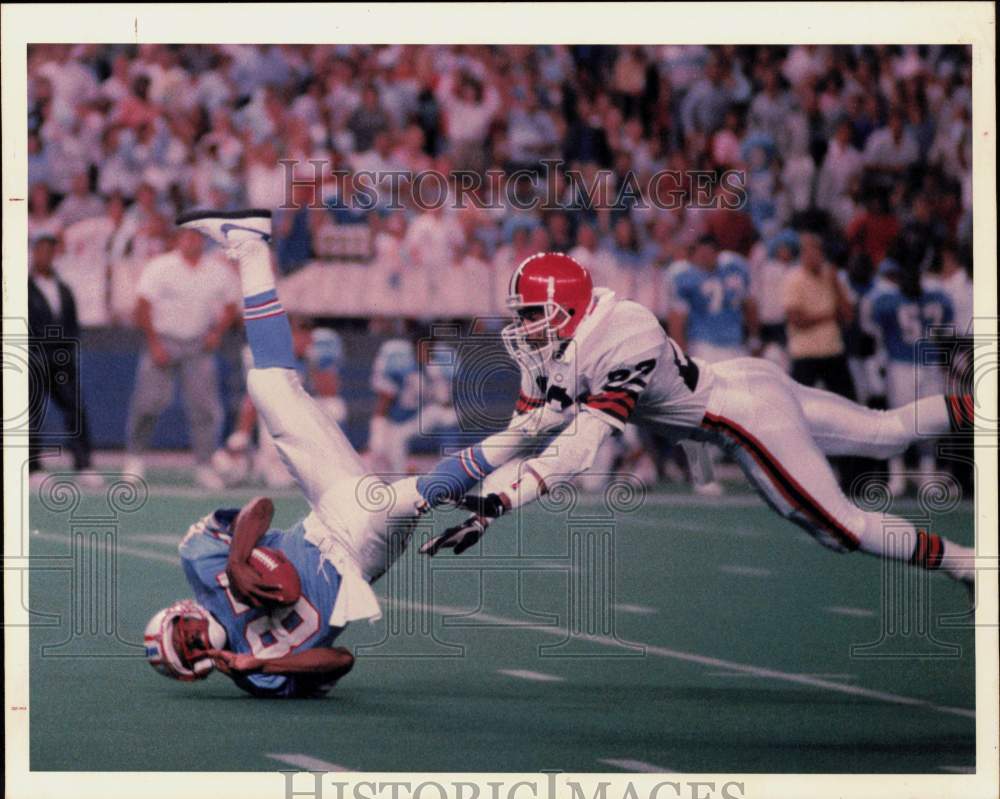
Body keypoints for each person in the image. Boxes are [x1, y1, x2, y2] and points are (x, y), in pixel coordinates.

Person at [415, 252, 976, 598]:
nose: (522, 327)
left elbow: (577, 448)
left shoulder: (623, 333)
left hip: (745, 418)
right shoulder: (558, 346)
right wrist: (477, 500)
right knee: (882, 430)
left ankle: (968, 565)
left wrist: (496, 504)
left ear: (570, 307)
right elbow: (525, 433)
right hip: (741, 380)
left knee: (841, 528)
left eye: (532, 314)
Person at [145, 209, 440, 697]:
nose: (196, 641)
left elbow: (258, 508)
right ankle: (538, 440)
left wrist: (239, 560)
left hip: (326, 513)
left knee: (269, 384)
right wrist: (261, 660)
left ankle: (250, 249)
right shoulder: (256, 674)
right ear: (201, 669)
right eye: (191, 653)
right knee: (425, 493)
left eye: (184, 635)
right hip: (361, 554)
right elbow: (341, 659)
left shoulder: (198, 559)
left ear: (180, 613)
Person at [124, 228, 239, 488]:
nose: (192, 241)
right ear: (177, 239)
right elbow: (142, 305)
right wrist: (154, 343)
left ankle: (205, 465)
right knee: (147, 403)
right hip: (163, 338)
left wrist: (217, 332)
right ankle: (135, 459)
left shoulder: (217, 270)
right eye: (187, 236)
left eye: (198, 236)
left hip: (198, 344)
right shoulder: (160, 266)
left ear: (204, 240)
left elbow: (232, 304)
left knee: (204, 408)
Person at [863, 259, 955, 497]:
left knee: (930, 422)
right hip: (901, 365)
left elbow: (946, 330)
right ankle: (897, 476)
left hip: (927, 364)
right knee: (900, 422)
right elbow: (871, 326)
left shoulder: (935, 298)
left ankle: (927, 476)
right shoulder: (888, 302)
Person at [27, 235, 102, 487]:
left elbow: (71, 325)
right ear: (34, 253)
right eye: (41, 250)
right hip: (34, 361)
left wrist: (68, 353)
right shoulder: (21, 287)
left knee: (76, 410)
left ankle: (84, 464)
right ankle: (33, 466)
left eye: (50, 250)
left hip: (61, 362)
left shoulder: (63, 288)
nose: (45, 255)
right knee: (32, 413)